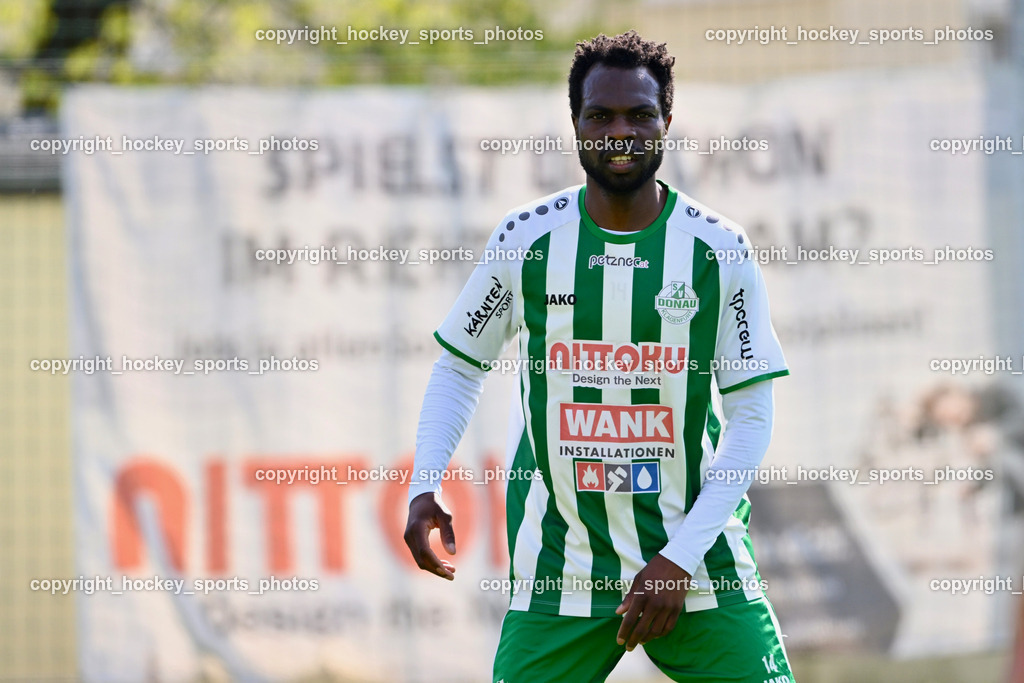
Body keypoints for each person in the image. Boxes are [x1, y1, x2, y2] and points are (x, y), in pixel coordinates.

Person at [404, 30, 794, 683]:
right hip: (563, 565)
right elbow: (460, 365)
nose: (621, 133)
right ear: (576, 124)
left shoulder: (718, 249)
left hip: (699, 564)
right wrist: (423, 483)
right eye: (601, 116)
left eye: (640, 115)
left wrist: (680, 558)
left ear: (667, 121)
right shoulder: (525, 240)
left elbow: (751, 416)